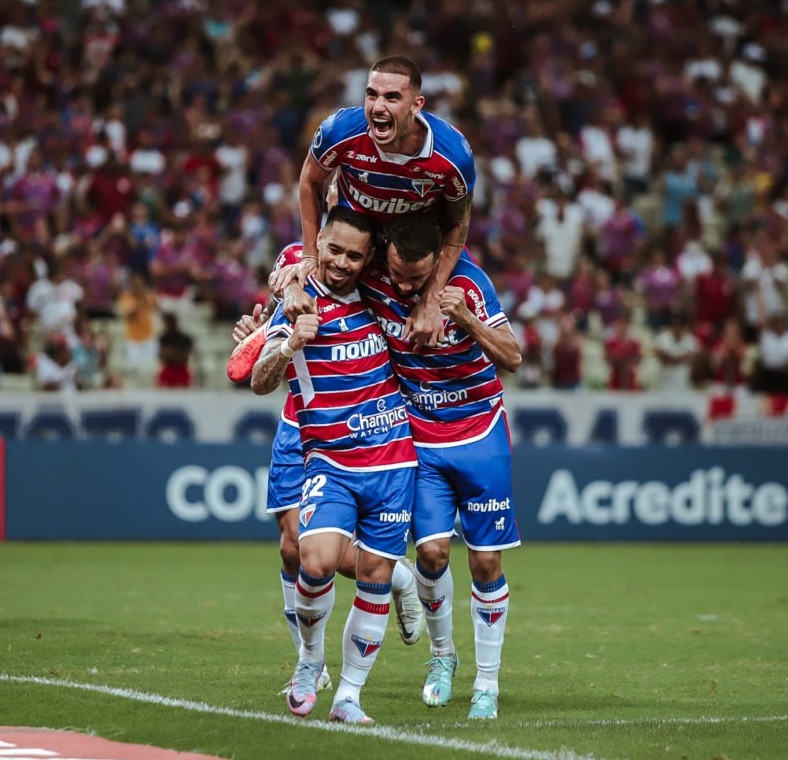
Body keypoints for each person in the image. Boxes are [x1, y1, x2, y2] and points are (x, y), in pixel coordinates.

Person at [282, 214, 522, 719]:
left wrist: (466, 320)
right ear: (385, 254)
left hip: (479, 432)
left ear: (439, 261)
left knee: (485, 563)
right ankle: (442, 657)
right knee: (432, 555)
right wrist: (287, 285)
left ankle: (488, 684)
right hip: (419, 440)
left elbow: (513, 357)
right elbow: (302, 261)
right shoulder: (371, 271)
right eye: (398, 275)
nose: (405, 286)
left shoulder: (470, 284)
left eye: (417, 279)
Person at [231, 241, 425, 696]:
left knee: (316, 549)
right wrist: (262, 333)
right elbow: (283, 301)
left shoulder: (371, 254)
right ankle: (312, 663)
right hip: (299, 422)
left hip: (358, 430)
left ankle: (392, 578)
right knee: (291, 548)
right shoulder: (295, 252)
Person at [297, 55, 475, 347]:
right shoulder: (338, 131)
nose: (378, 107)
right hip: (355, 242)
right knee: (297, 287)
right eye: (372, 95)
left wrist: (433, 295)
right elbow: (310, 179)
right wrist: (308, 255)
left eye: (392, 98)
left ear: (416, 105)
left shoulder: (453, 156)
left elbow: (459, 222)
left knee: (447, 320)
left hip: (414, 252)